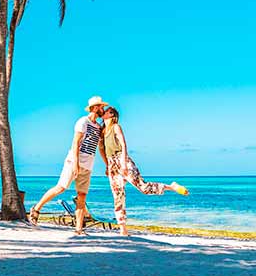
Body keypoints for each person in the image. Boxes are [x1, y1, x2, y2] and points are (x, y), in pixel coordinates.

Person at [102, 106, 189, 236]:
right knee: (118, 196)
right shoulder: (102, 131)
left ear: (112, 115)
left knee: (143, 188)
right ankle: (123, 228)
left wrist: (124, 162)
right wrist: (107, 166)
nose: (103, 112)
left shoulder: (116, 127)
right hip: (111, 164)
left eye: (106, 111)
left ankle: (171, 186)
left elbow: (124, 145)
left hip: (122, 159)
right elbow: (102, 150)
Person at [29, 96, 108, 234]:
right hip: (74, 162)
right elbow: (76, 143)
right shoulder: (83, 121)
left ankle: (78, 229)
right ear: (95, 108)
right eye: (101, 107)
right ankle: (36, 209)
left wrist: (107, 165)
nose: (103, 109)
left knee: (82, 196)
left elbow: (101, 148)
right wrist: (76, 163)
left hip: (88, 165)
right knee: (61, 188)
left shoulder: (99, 127)